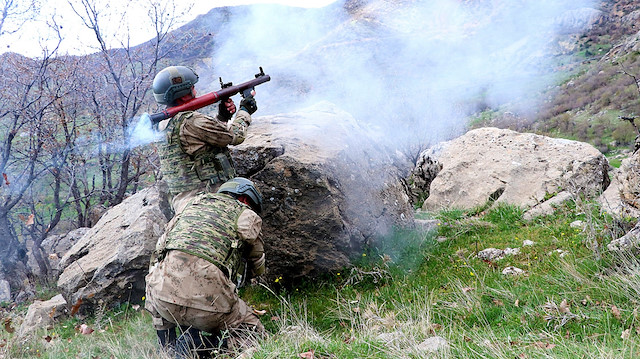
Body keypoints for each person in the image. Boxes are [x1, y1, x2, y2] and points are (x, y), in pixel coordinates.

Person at [145, 177, 266, 358]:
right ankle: (203, 346)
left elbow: (160, 249)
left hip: (163, 302)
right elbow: (257, 264)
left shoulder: (191, 204)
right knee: (254, 333)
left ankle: (166, 348)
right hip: (210, 306)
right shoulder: (246, 214)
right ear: (246, 199)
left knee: (157, 277)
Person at [152, 65, 259, 214]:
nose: (195, 91)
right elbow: (235, 136)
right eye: (192, 87)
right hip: (209, 199)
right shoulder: (192, 121)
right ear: (183, 93)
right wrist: (245, 110)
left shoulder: (162, 124)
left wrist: (222, 117)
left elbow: (199, 140)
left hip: (183, 203)